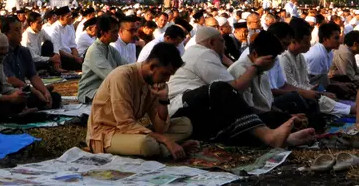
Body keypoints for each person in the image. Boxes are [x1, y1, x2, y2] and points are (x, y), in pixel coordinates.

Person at [167, 27, 316, 147]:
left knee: (236, 128)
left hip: (195, 108)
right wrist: (255, 68)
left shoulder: (201, 54)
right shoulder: (203, 54)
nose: (225, 46)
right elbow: (232, 89)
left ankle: (283, 139)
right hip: (181, 106)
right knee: (223, 91)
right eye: (222, 41)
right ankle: (269, 136)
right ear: (212, 43)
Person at [89, 42, 197, 159]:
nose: (167, 80)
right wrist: (166, 140)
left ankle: (166, 146)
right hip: (106, 134)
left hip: (130, 132)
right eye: (165, 74)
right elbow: (125, 124)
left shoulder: (153, 82)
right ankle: (169, 149)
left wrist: (163, 99)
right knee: (147, 144)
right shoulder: (122, 77)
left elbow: (161, 128)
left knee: (185, 125)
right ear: (152, 67)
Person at [228, 31, 298, 129]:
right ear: (255, 54)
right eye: (270, 60)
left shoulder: (263, 71)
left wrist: (288, 116)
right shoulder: (241, 70)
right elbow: (249, 109)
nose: (272, 63)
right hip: (246, 120)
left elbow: (267, 105)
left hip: (264, 114)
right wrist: (285, 118)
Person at [0, 16, 61, 110]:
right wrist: (35, 92)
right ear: (6, 34)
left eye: (20, 29)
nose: (20, 33)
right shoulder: (1, 52)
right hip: (9, 91)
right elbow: (10, 79)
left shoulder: (24, 51)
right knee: (20, 101)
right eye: (16, 30)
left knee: (55, 97)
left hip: (24, 89)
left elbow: (33, 76)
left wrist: (44, 91)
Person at [78, 16, 126, 103]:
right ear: (103, 33)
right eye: (114, 31)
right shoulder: (94, 50)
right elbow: (110, 76)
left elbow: (126, 66)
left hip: (104, 89)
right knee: (121, 96)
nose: (117, 34)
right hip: (90, 92)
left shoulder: (110, 49)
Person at [45, 6, 83, 71]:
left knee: (83, 63)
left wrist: (77, 58)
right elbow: (57, 49)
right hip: (60, 55)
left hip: (70, 55)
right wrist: (74, 58)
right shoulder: (54, 29)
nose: (71, 17)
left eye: (71, 15)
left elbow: (73, 47)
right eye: (68, 16)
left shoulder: (69, 28)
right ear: (61, 17)